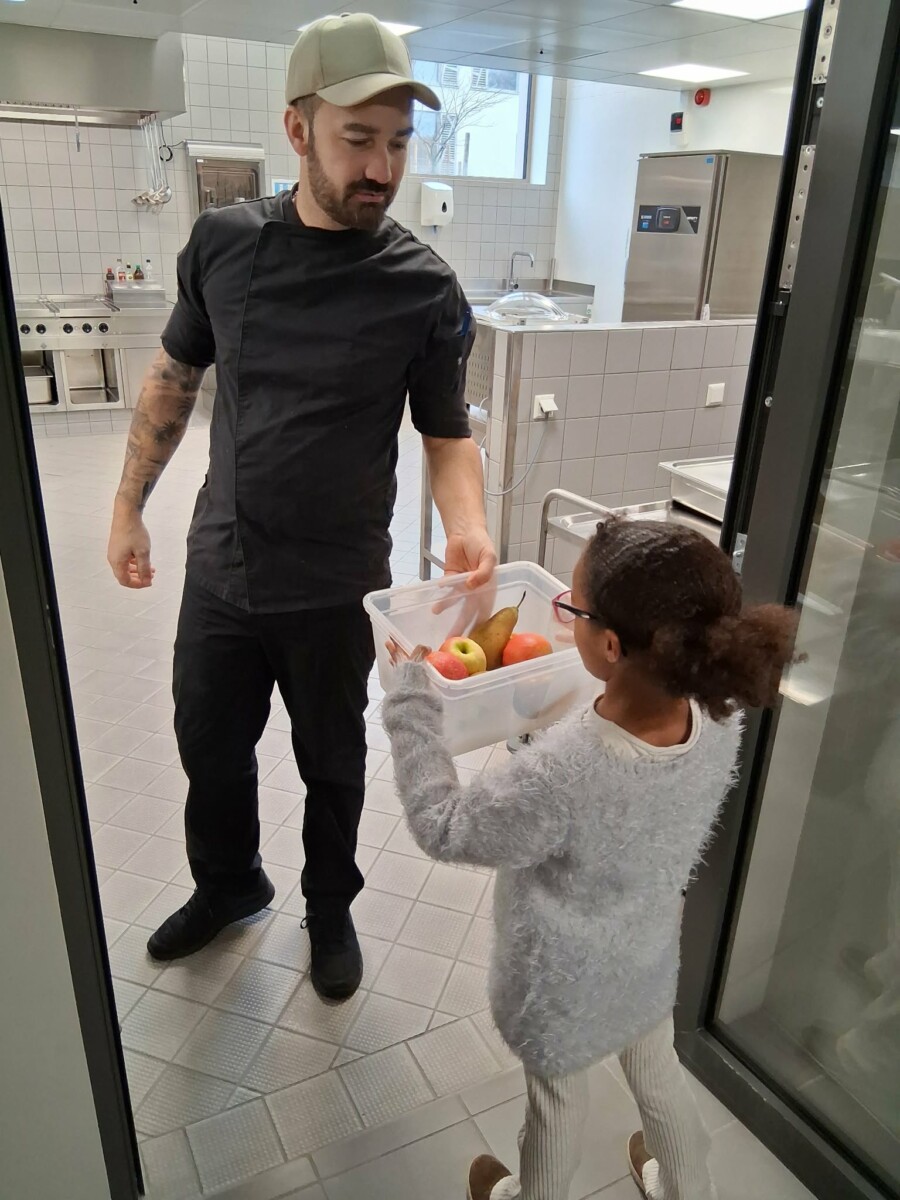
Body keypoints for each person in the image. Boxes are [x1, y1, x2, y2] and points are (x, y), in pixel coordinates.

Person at [106, 12, 496, 1000]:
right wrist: (127, 507)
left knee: (333, 763)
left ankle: (329, 909)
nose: (381, 168)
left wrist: (468, 526)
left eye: (398, 143)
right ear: (297, 130)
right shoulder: (224, 245)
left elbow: (447, 433)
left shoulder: (424, 287)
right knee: (209, 747)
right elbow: (173, 378)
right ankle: (229, 885)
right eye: (357, 139)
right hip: (224, 565)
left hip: (335, 582)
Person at [382, 516, 798, 1200]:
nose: (562, 617)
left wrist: (410, 704)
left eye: (570, 609)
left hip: (561, 982)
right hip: (643, 950)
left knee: (556, 1106)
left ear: (610, 645)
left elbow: (444, 825)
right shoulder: (719, 714)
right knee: (658, 1075)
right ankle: (689, 1189)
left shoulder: (560, 776)